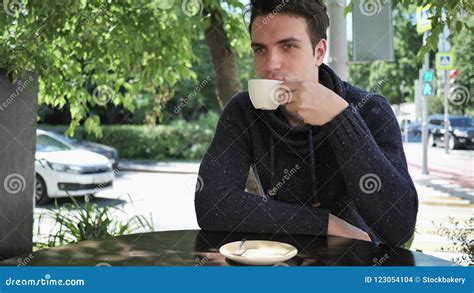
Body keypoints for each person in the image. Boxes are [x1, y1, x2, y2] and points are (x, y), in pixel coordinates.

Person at [194, 0, 418, 247]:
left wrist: (341, 118)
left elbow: (400, 226)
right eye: (260, 49)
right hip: (278, 264)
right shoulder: (245, 110)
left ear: (319, 52)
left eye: (288, 46)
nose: (270, 65)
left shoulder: (369, 108)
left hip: (356, 268)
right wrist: (324, 224)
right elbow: (212, 204)